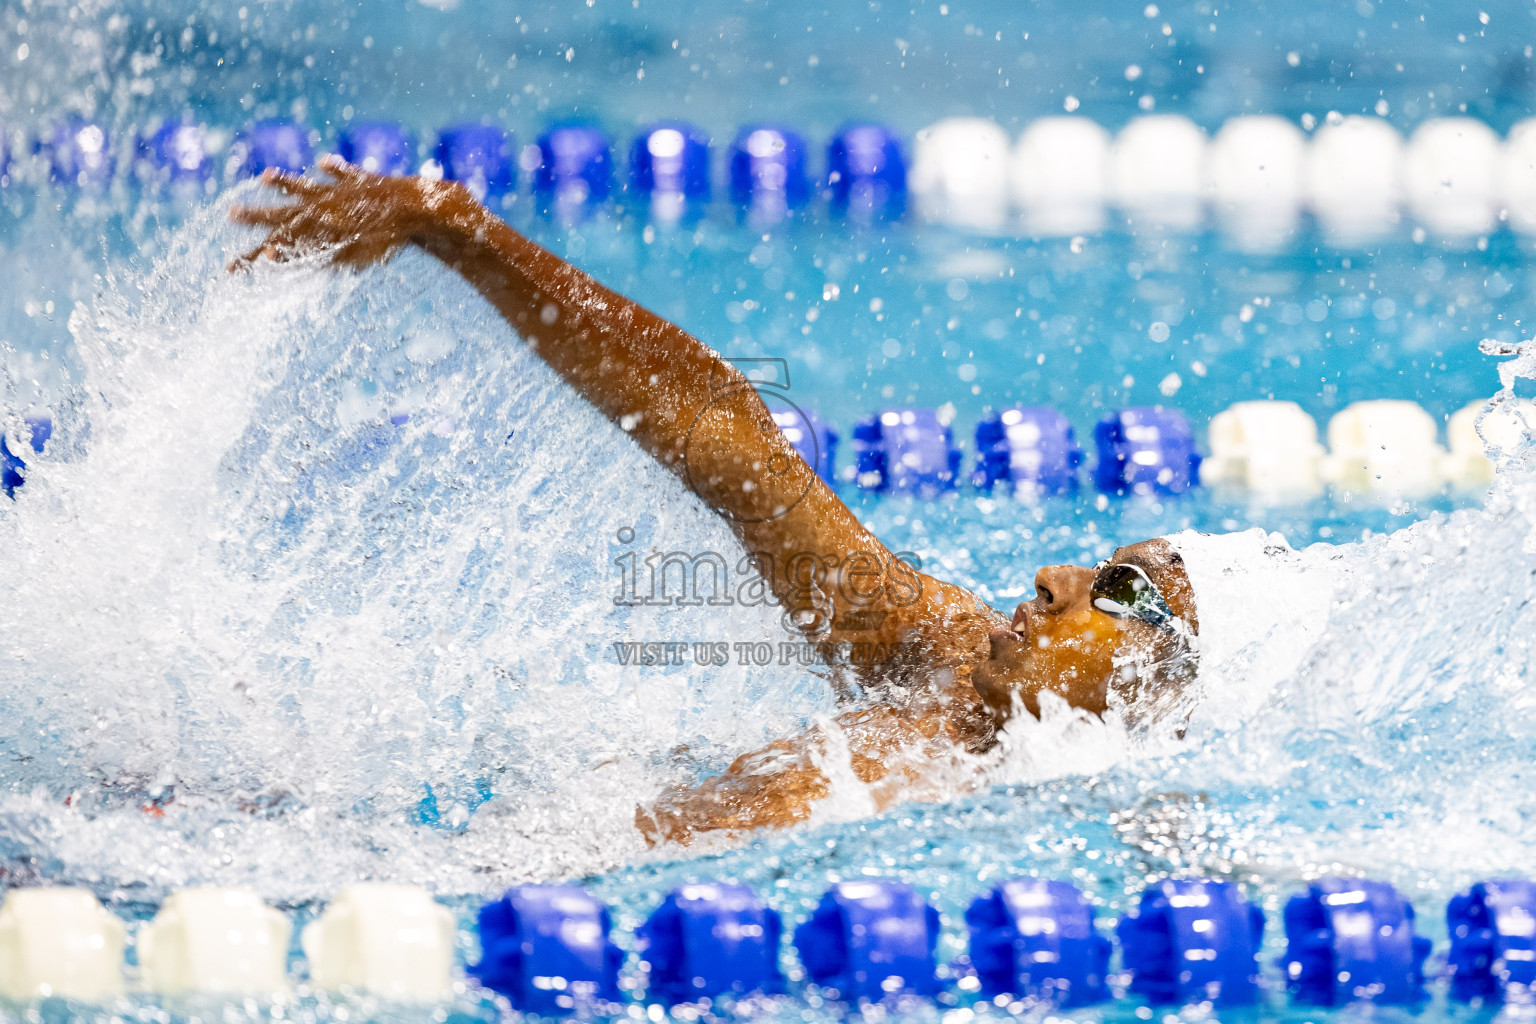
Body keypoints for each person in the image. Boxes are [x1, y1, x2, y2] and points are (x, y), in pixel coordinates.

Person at [231, 157, 1207, 845]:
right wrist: (462, 231)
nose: (1055, 576)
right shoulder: (949, 654)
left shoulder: (1002, 820)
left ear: (1160, 693)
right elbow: (737, 451)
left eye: (1116, 592)